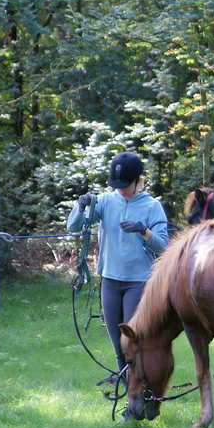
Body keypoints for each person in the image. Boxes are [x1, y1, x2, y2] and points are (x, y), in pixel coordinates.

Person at [67, 151, 169, 379]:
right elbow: (73, 227)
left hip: (138, 281)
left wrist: (144, 231)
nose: (121, 189)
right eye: (117, 184)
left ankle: (137, 392)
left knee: (131, 341)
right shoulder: (104, 201)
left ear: (138, 181)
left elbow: (164, 247)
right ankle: (125, 387)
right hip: (110, 280)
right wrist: (80, 206)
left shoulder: (152, 206)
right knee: (116, 344)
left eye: (126, 184)